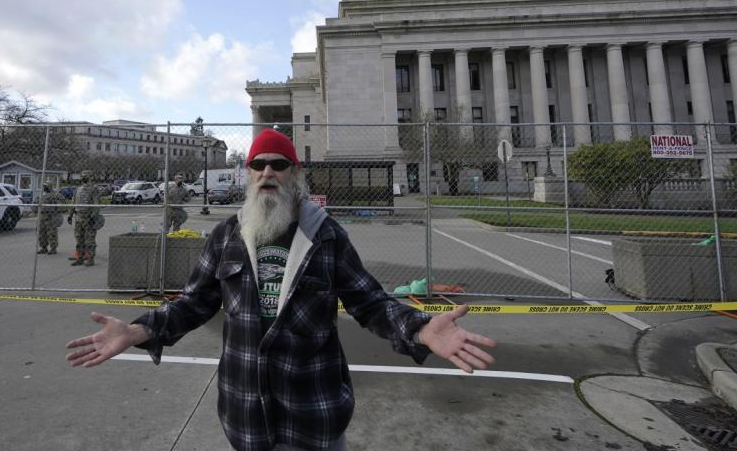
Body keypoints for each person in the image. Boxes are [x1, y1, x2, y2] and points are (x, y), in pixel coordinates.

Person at [67, 129, 496, 451]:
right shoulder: (225, 236)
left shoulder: (326, 236)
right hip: (245, 413)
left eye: (278, 163)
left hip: (313, 410)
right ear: (248, 173)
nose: (267, 170)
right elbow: (194, 303)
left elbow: (369, 301)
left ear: (295, 172)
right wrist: (140, 331)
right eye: (258, 164)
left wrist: (420, 328)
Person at [67, 171, 100, 266]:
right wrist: (70, 215)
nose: (83, 178)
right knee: (79, 239)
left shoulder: (94, 189)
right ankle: (80, 257)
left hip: (88, 217)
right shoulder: (78, 189)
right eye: (82, 176)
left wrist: (93, 216)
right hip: (78, 217)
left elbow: (96, 205)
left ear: (90, 177)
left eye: (85, 176)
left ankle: (90, 258)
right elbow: (73, 203)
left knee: (89, 239)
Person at [37, 182, 66, 255]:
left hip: (51, 217)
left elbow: (62, 203)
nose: (44, 187)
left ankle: (53, 248)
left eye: (46, 186)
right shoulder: (41, 195)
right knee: (41, 233)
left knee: (52, 233)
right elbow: (36, 203)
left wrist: (55, 205)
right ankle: (44, 248)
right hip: (42, 217)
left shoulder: (56, 195)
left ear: (50, 186)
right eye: (43, 186)